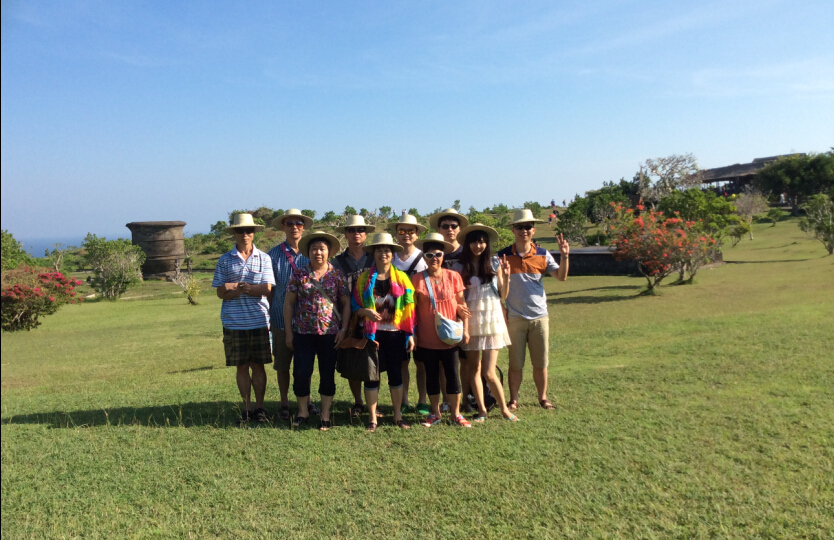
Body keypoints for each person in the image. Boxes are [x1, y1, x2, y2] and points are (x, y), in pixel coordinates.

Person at [496, 208, 570, 411]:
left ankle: (543, 397)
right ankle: (513, 399)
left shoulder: (543, 254)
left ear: (534, 230)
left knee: (541, 362)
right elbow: (497, 288)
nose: (524, 231)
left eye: (528, 227)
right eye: (519, 227)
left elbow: (561, 276)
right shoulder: (502, 256)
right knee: (515, 364)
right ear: (513, 230)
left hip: (539, 317)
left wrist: (565, 257)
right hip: (515, 319)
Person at [212, 213, 276, 424]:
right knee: (241, 366)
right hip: (234, 322)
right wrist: (238, 290)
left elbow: (267, 289)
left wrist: (241, 288)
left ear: (254, 233)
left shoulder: (264, 258)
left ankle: (260, 408)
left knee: (258, 365)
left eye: (249, 230)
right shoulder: (224, 260)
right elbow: (220, 292)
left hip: (259, 320)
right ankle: (247, 409)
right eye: (240, 230)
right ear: (235, 233)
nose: (245, 234)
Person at [283, 232, 351, 431]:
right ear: (308, 252)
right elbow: (289, 304)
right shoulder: (299, 274)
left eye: (322, 249)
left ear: (328, 252)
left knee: (327, 373)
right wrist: (289, 333)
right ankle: (303, 411)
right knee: (301, 372)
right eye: (314, 249)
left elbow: (346, 303)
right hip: (303, 333)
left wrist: (344, 329)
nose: (318, 253)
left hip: (330, 334)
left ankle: (326, 415)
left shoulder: (336, 275)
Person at [351, 232, 417, 432]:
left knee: (396, 375)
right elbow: (355, 306)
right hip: (373, 335)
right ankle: (372, 419)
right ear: (374, 253)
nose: (383, 254)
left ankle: (397, 416)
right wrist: (365, 312)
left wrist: (410, 334)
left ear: (392, 253)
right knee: (372, 377)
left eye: (387, 250)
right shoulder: (363, 279)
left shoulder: (403, 278)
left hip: (396, 334)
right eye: (379, 250)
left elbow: (410, 309)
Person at [453, 223, 518, 422]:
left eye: (481, 242)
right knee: (474, 369)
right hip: (471, 321)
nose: (478, 246)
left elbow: (503, 295)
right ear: (467, 244)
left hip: (492, 319)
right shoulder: (459, 267)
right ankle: (482, 410)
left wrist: (506, 277)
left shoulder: (495, 263)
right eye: (474, 242)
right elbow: (458, 298)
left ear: (487, 244)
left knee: (489, 372)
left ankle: (504, 409)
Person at [412, 232, 471, 428]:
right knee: (432, 377)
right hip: (426, 338)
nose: (434, 259)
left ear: (443, 256)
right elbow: (412, 310)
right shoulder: (417, 279)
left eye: (438, 254)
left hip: (450, 337)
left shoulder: (453, 276)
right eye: (429, 255)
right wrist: (413, 334)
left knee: (453, 375)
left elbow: (462, 305)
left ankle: (456, 414)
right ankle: (435, 413)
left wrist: (466, 329)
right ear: (424, 257)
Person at [268, 209, 313, 421]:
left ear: (303, 227)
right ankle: (285, 403)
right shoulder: (273, 255)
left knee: (305, 365)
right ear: (283, 227)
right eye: (290, 223)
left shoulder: (311, 252)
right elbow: (269, 290)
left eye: (298, 223)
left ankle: (307, 401)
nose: (294, 227)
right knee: (283, 364)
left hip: (307, 320)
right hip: (280, 317)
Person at [331, 215, 376, 417]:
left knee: (373, 360)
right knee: (353, 358)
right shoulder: (337, 262)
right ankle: (358, 401)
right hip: (348, 318)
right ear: (346, 234)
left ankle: (373, 403)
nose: (356, 233)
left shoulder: (375, 258)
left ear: (366, 234)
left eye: (360, 230)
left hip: (374, 316)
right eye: (351, 230)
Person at [428, 208, 471, 410]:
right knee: (443, 362)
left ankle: (467, 398)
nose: (450, 229)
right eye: (445, 226)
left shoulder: (467, 252)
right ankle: (446, 400)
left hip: (466, 310)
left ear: (459, 229)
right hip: (441, 315)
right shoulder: (433, 254)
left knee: (466, 360)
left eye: (454, 226)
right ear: (439, 229)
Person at [387, 213, 430, 416]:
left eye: (410, 231)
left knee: (421, 362)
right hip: (398, 317)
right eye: (402, 231)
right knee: (402, 361)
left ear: (417, 234)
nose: (406, 235)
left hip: (421, 315)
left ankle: (422, 401)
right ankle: (403, 400)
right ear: (396, 234)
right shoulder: (390, 257)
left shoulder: (424, 257)